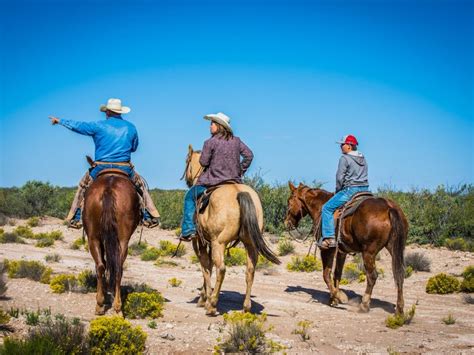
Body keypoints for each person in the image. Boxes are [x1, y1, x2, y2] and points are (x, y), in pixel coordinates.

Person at [49, 98, 161, 229]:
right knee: (141, 186)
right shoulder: (131, 127)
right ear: (120, 112)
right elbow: (134, 148)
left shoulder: (98, 125)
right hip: (124, 167)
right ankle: (150, 215)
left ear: (107, 112)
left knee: (83, 186)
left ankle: (76, 216)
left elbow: (78, 126)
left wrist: (60, 121)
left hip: (101, 166)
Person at [180, 112, 254, 241]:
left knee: (189, 197)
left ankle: (188, 230)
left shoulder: (210, 142)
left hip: (212, 182)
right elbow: (249, 155)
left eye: (212, 123)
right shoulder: (236, 140)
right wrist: (239, 170)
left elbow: (203, 162)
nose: (210, 126)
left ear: (219, 125)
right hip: (234, 181)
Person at [319, 134, 369, 249]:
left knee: (326, 208)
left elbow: (339, 177)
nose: (341, 146)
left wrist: (338, 190)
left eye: (343, 144)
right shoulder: (363, 158)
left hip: (350, 190)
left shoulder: (344, 158)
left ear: (349, 146)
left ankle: (329, 237)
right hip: (365, 190)